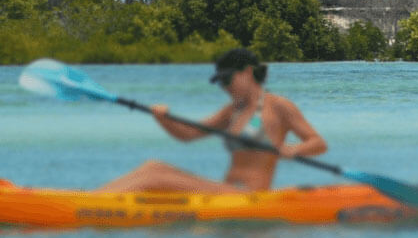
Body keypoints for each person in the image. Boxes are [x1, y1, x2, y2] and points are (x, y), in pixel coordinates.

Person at [95, 48, 326, 193]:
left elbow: (317, 142)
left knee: (155, 178)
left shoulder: (278, 106)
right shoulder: (232, 111)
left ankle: (90, 205)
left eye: (227, 80)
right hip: (226, 190)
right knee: (153, 166)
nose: (224, 87)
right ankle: (91, 200)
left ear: (246, 72)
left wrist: (293, 150)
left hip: (249, 195)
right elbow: (189, 134)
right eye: (220, 82)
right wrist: (162, 119)